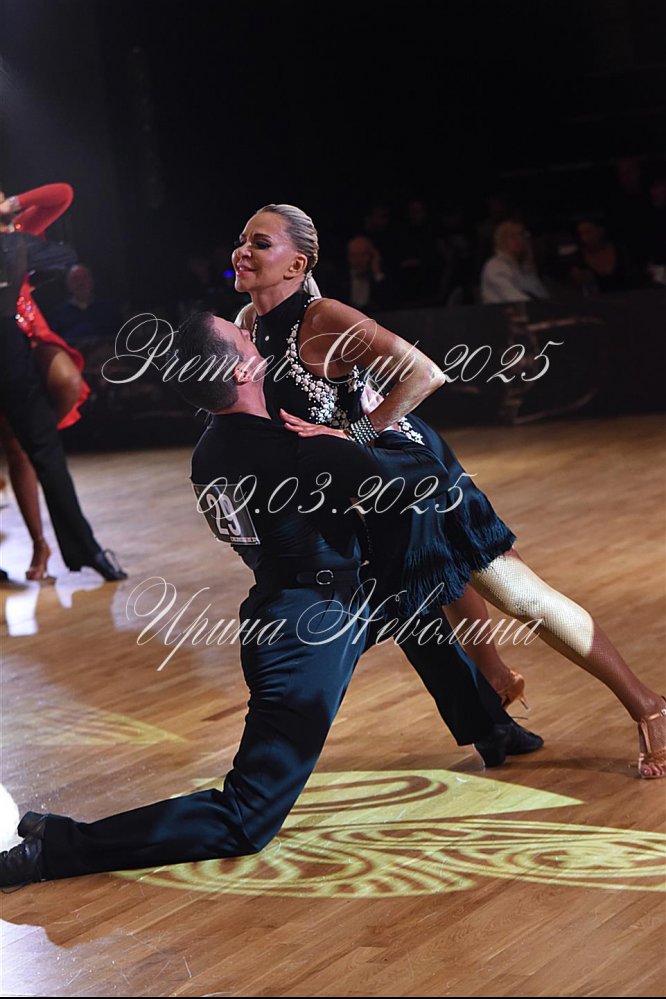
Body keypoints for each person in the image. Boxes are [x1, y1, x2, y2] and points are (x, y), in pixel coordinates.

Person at [0, 314, 527, 886]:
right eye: (245, 339)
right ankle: (56, 849)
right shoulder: (299, 451)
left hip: (310, 603)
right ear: (244, 371)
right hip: (306, 634)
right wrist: (357, 431)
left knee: (412, 606)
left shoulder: (209, 451)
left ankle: (492, 727)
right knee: (246, 818)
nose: (254, 338)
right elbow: (423, 475)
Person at [232, 203, 535, 715]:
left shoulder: (324, 316)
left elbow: (426, 374)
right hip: (346, 472)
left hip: (396, 456)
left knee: (476, 579)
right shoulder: (246, 321)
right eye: (242, 240)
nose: (242, 251)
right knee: (424, 584)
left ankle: (503, 680)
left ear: (297, 265)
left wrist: (357, 433)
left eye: (260, 243)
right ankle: (493, 692)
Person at [0, 190, 127, 582]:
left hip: (18, 338)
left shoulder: (17, 233)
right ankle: (43, 544)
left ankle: (84, 548)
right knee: (23, 450)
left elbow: (62, 195)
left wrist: (13, 206)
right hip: (9, 341)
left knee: (44, 440)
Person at [480, 220, 550, 304]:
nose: (518, 240)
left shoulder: (524, 267)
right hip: (504, 311)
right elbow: (513, 296)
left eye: (521, 235)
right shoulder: (495, 265)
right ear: (502, 240)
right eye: (512, 236)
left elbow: (542, 295)